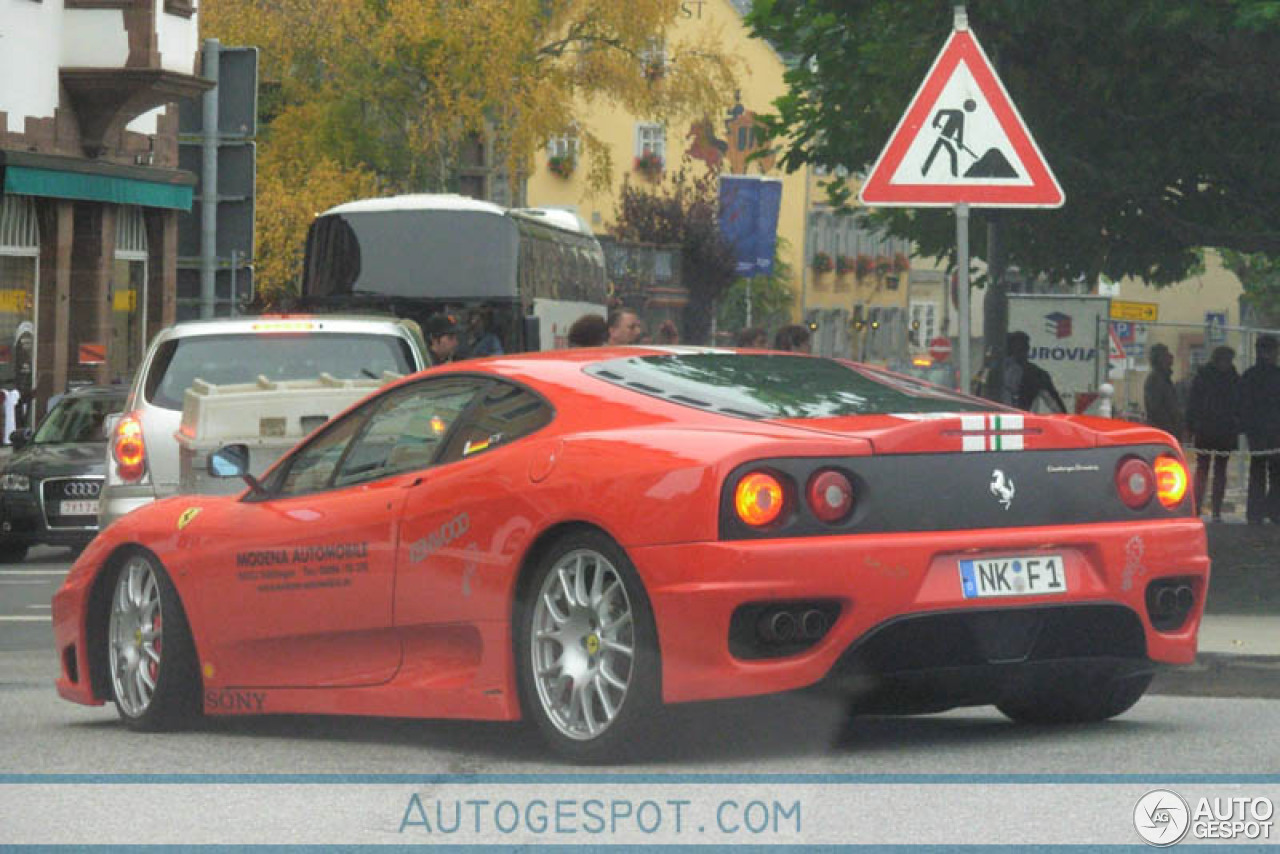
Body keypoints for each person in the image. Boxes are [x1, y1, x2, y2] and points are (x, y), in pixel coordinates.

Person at [1186, 345, 1240, 521]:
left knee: (1216, 470)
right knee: (1205, 469)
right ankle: (1198, 506)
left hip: (1215, 429)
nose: (1227, 363)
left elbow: (1193, 403)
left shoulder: (1205, 377)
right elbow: (1193, 404)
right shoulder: (1231, 378)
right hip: (1212, 429)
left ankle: (1214, 509)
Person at [1239, 335, 1280, 524]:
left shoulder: (1249, 376)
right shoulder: (1277, 375)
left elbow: (1243, 404)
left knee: (1257, 472)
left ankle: (1255, 513)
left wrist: (1246, 426)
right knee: (1276, 473)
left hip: (1256, 430)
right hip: (1274, 430)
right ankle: (1275, 511)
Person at [1003, 331, 1065, 412]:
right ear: (1028, 349)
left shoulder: (991, 372)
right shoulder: (1037, 373)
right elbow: (1059, 411)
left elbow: (1058, 410)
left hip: (993, 421)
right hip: (1025, 421)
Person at [1143, 343, 1183, 439]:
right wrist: (1170, 427)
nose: (1170, 357)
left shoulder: (1164, 378)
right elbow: (1156, 408)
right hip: (1162, 431)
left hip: (1169, 430)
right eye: (1166, 354)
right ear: (1159, 359)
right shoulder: (1155, 379)